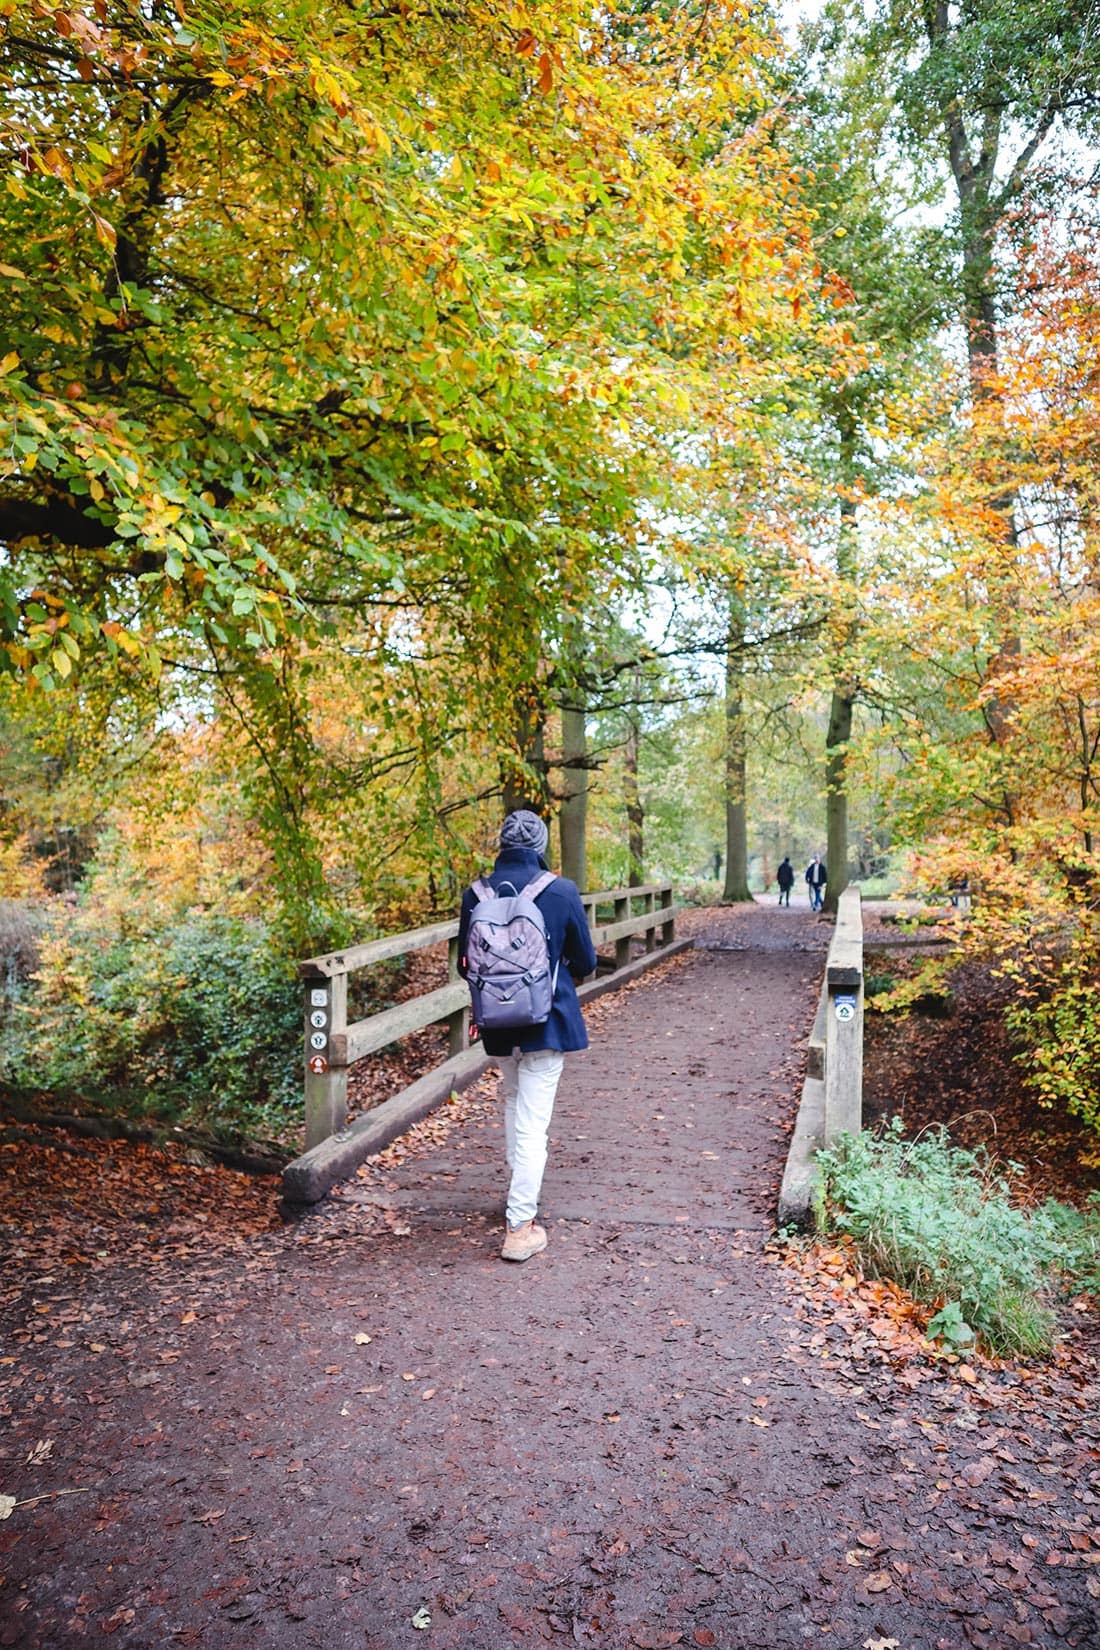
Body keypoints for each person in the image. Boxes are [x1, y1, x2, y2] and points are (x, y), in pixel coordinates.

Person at [457, 809, 597, 1263]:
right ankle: (520, 1226)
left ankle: (522, 1190)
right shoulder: (560, 891)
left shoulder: (475, 894)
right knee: (533, 1122)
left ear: (502, 844)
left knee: (515, 1103)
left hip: (499, 1021)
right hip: (547, 1020)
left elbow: (465, 964)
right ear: (540, 844)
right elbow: (587, 960)